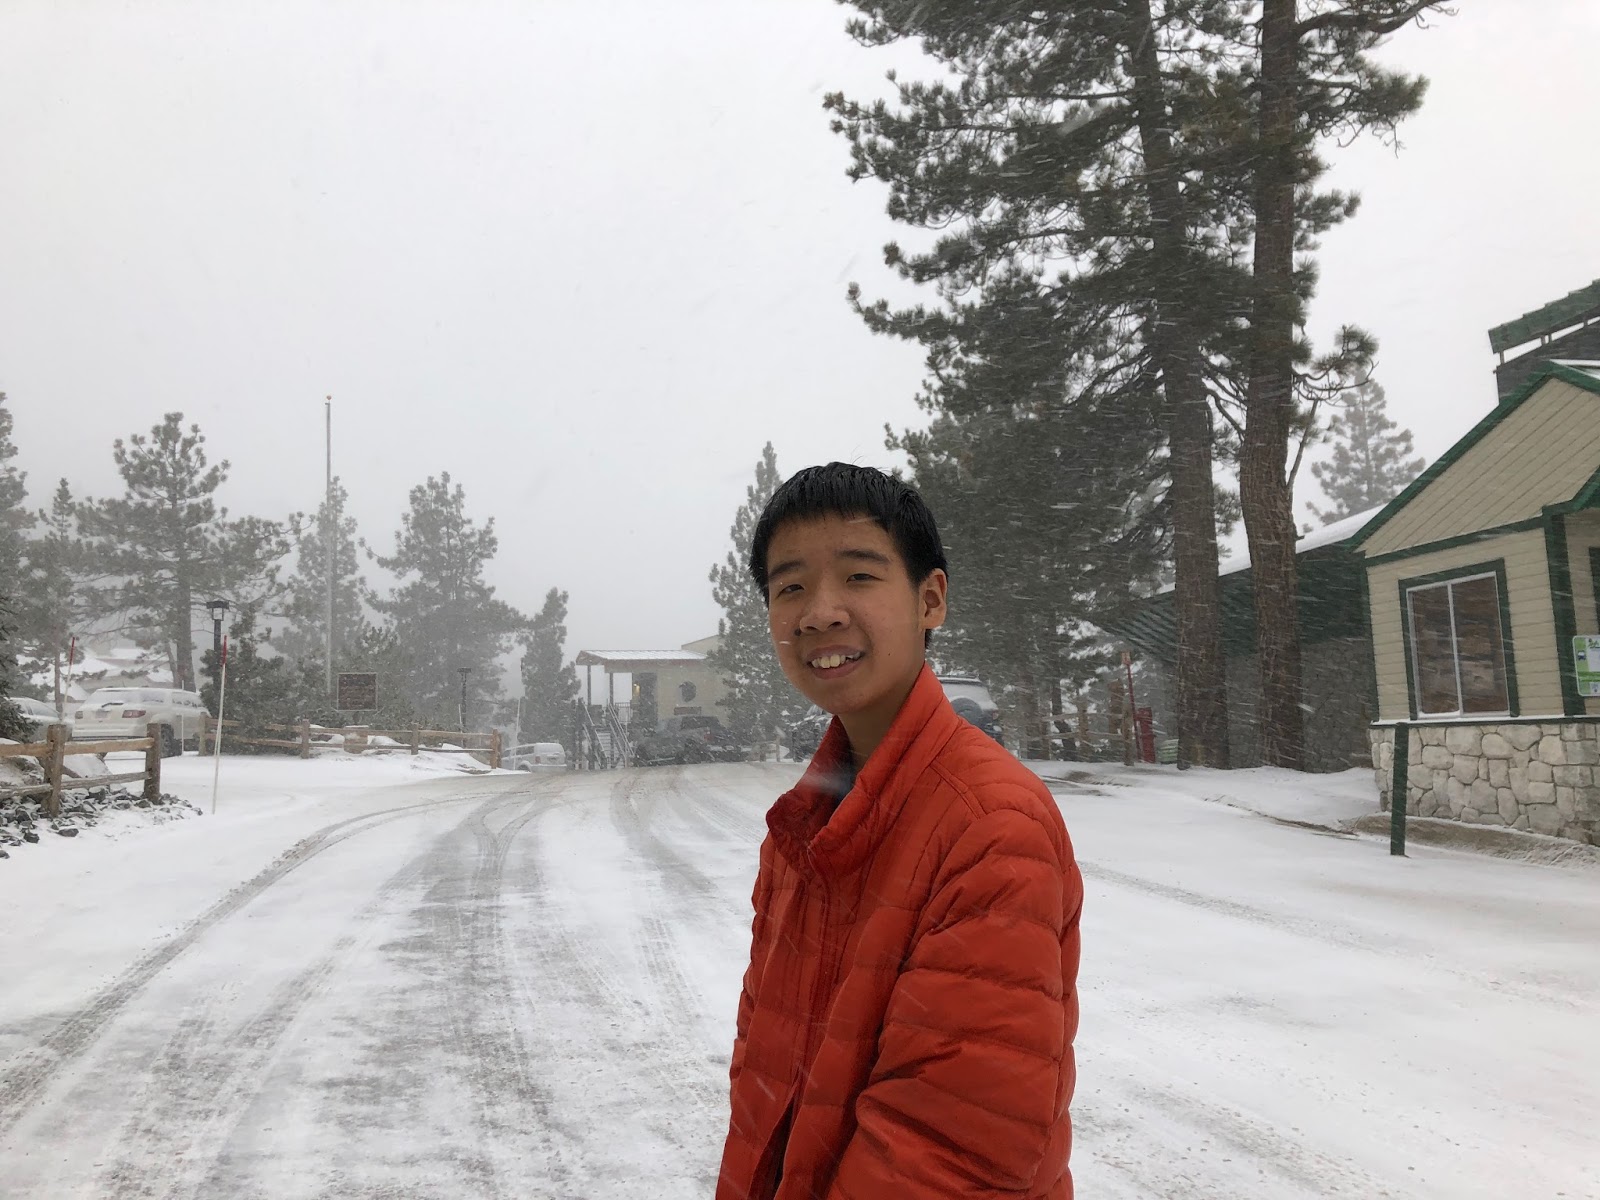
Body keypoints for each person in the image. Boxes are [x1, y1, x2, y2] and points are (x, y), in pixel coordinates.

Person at [716, 463, 1083, 1199]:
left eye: (858, 576)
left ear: (930, 599)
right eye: (790, 587)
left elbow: (952, 1150)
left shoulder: (989, 824)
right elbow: (763, 1064)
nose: (819, 612)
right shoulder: (802, 825)